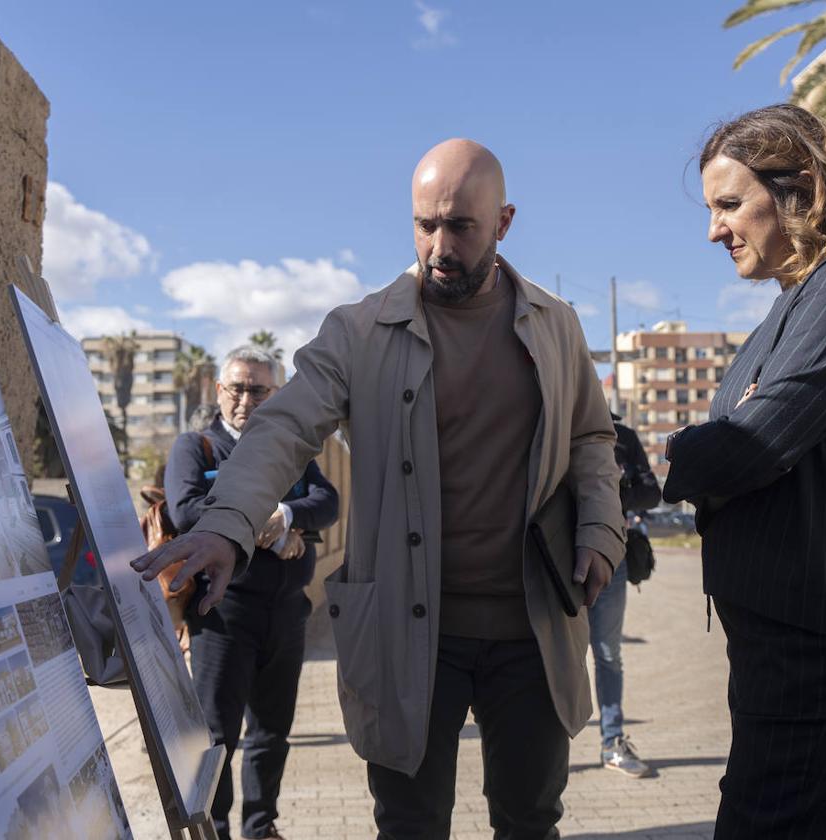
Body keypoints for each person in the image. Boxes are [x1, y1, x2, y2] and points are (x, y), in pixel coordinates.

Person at [134, 138, 626, 838]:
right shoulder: (360, 330)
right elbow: (282, 429)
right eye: (426, 224)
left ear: (505, 222)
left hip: (532, 625)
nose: (439, 247)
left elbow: (591, 439)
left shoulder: (556, 326)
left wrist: (600, 533)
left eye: (462, 227)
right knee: (408, 824)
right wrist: (225, 524)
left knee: (530, 819)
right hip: (407, 629)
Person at [662, 103, 826, 837]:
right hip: (786, 640)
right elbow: (748, 436)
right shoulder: (793, 308)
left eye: (729, 205)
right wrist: (725, 432)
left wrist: (684, 448)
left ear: (801, 191)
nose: (714, 230)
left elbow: (748, 444)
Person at [164, 345, 339, 840]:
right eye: (236, 387)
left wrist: (287, 517)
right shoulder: (196, 448)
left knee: (271, 735)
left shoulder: (292, 450)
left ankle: (261, 828)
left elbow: (327, 500)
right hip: (221, 617)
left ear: (276, 395)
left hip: (287, 615)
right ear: (219, 391)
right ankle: (212, 829)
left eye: (258, 389)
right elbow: (186, 512)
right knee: (218, 737)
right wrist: (272, 530)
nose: (246, 399)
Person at [590, 414, 661, 778]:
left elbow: (652, 492)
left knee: (607, 653)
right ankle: (545, 750)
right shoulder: (554, 423)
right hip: (556, 561)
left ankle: (612, 740)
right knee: (551, 657)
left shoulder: (624, 436)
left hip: (612, 559)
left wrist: (621, 485)